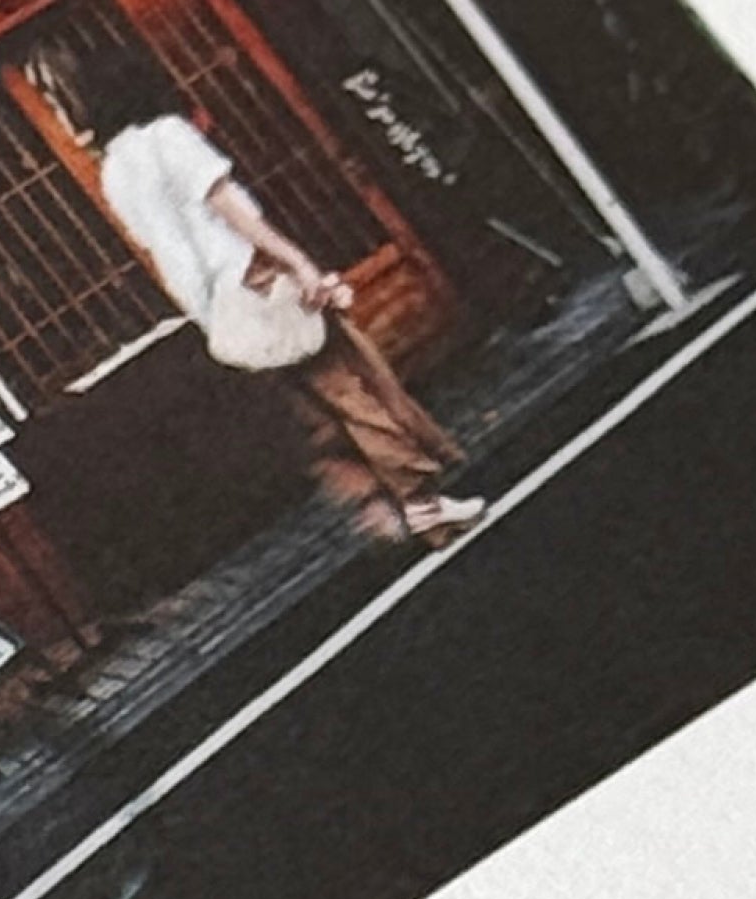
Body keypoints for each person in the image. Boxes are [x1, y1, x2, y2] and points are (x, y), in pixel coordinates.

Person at [49, 52, 485, 546]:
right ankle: (421, 501)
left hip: (216, 304)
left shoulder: (113, 171)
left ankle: (395, 502)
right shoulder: (168, 135)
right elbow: (233, 212)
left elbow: (158, 245)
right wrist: (299, 264)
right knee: (351, 384)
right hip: (251, 274)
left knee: (319, 405)